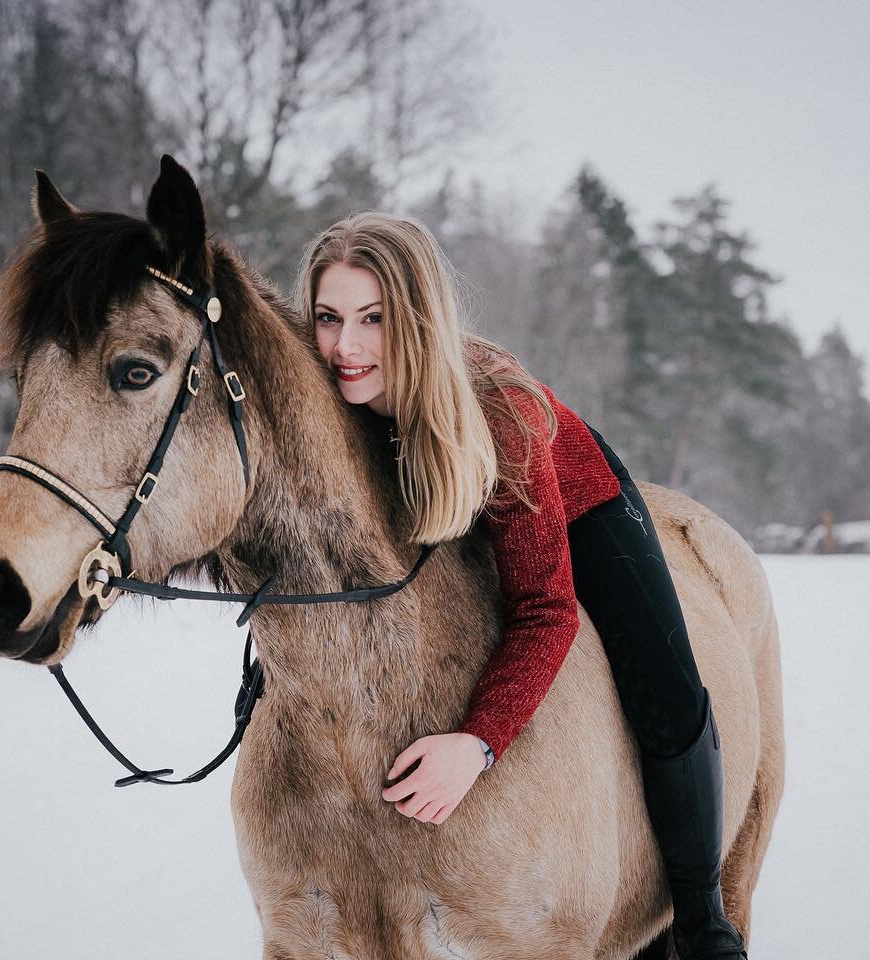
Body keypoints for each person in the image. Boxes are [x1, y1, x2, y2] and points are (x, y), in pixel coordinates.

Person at [294, 212, 748, 960]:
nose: (346, 345)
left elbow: (545, 609)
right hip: (447, 519)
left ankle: (702, 919)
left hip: (571, 500)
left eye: (372, 318)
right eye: (329, 317)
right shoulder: (325, 396)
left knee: (662, 684)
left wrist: (477, 745)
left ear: (416, 317)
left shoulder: (496, 407)